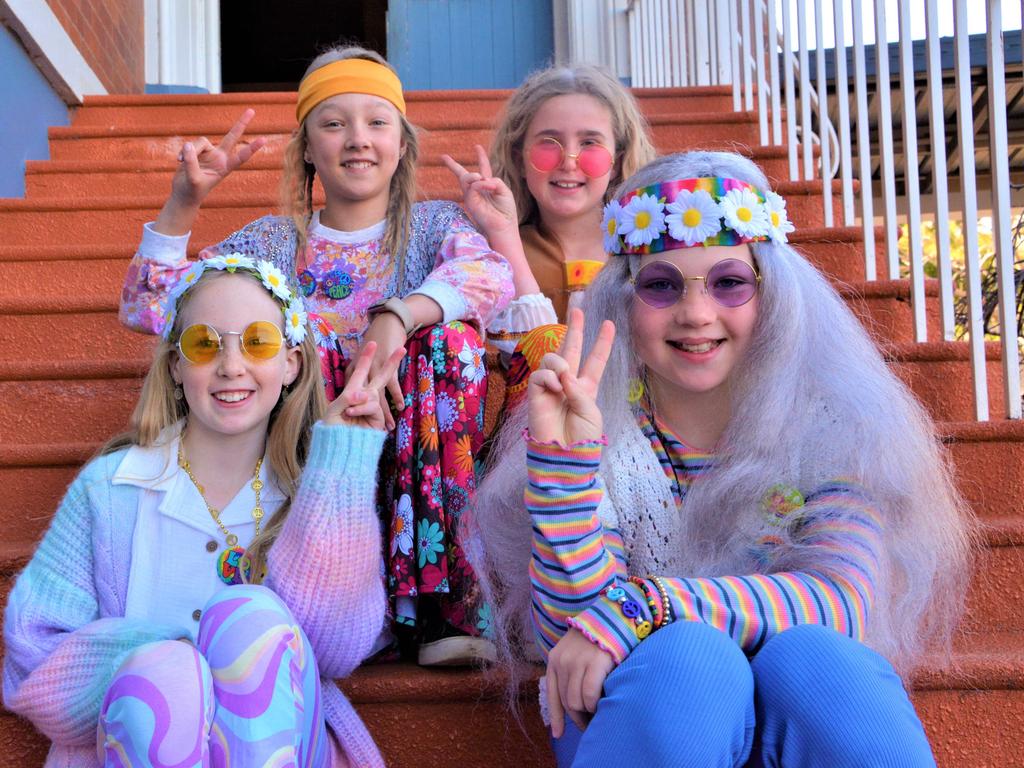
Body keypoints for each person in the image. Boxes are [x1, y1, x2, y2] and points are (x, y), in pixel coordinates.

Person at [471, 151, 974, 767]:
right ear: (626, 302)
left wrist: (647, 603)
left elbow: (841, 601)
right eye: (661, 284)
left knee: (822, 661)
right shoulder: (597, 427)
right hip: (649, 712)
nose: (696, 313)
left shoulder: (831, 428)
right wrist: (563, 470)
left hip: (795, 713)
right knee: (690, 660)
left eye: (728, 282)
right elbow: (571, 637)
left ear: (771, 294)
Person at [119, 46, 512, 664]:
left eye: (377, 122)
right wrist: (184, 203)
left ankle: (440, 606)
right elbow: (152, 309)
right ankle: (328, 589)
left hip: (416, 442)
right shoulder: (272, 242)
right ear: (307, 147)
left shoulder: (437, 225)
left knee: (451, 339)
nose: (358, 139)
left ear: (402, 144)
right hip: (307, 445)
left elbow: (490, 276)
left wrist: (398, 316)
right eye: (334, 124)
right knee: (288, 341)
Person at [4, 256, 404, 767]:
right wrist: (178, 661)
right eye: (204, 343)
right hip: (137, 738)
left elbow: (332, 652)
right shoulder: (115, 487)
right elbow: (34, 655)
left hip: (279, 744)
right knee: (164, 675)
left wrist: (341, 465)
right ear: (176, 365)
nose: (231, 365)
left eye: (257, 341)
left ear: (291, 363)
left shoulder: (312, 489)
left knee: (251, 620)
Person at [443, 64, 654, 393]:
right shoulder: (488, 255)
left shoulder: (646, 252)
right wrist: (504, 235)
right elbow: (541, 360)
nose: (569, 161)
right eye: (549, 142)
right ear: (519, 159)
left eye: (589, 143)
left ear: (617, 161)